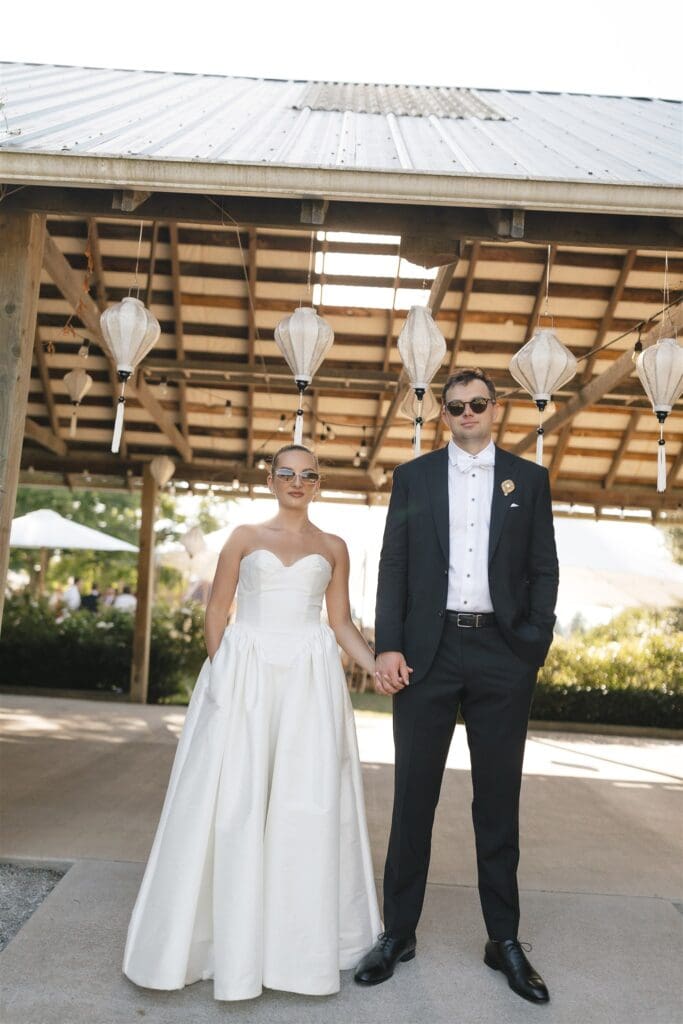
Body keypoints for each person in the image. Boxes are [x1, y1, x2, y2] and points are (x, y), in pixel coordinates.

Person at [123, 444, 381, 1001]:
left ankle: (294, 950)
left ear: (318, 484)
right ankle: (220, 944)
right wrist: (221, 677)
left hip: (309, 681)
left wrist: (375, 668)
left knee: (303, 802)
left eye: (308, 475)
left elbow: (340, 623)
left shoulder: (334, 547)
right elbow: (217, 611)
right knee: (233, 801)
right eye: (286, 473)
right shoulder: (242, 536)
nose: (297, 482)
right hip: (245, 674)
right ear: (269, 480)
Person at [355, 367, 559, 1005]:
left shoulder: (529, 479)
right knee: (414, 796)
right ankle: (399, 934)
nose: (466, 412)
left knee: (498, 802)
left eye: (477, 403)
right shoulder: (413, 477)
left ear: (495, 409)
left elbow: (543, 567)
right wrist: (388, 643)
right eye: (455, 406)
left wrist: (531, 645)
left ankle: (504, 939)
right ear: (442, 415)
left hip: (503, 654)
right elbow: (393, 562)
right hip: (427, 654)